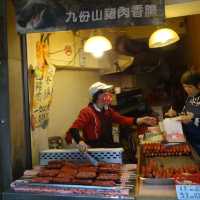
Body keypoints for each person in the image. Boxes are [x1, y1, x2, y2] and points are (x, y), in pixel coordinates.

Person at [66, 82, 157, 152]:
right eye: (104, 93)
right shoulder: (87, 111)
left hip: (106, 144)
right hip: (94, 148)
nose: (108, 95)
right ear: (96, 96)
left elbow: (121, 119)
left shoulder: (107, 110)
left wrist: (141, 120)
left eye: (107, 93)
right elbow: (74, 129)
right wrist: (80, 141)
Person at [165, 70, 200, 154]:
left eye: (190, 87)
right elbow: (185, 115)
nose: (187, 90)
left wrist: (189, 123)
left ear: (199, 85)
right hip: (189, 141)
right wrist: (176, 114)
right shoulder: (190, 98)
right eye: (184, 86)